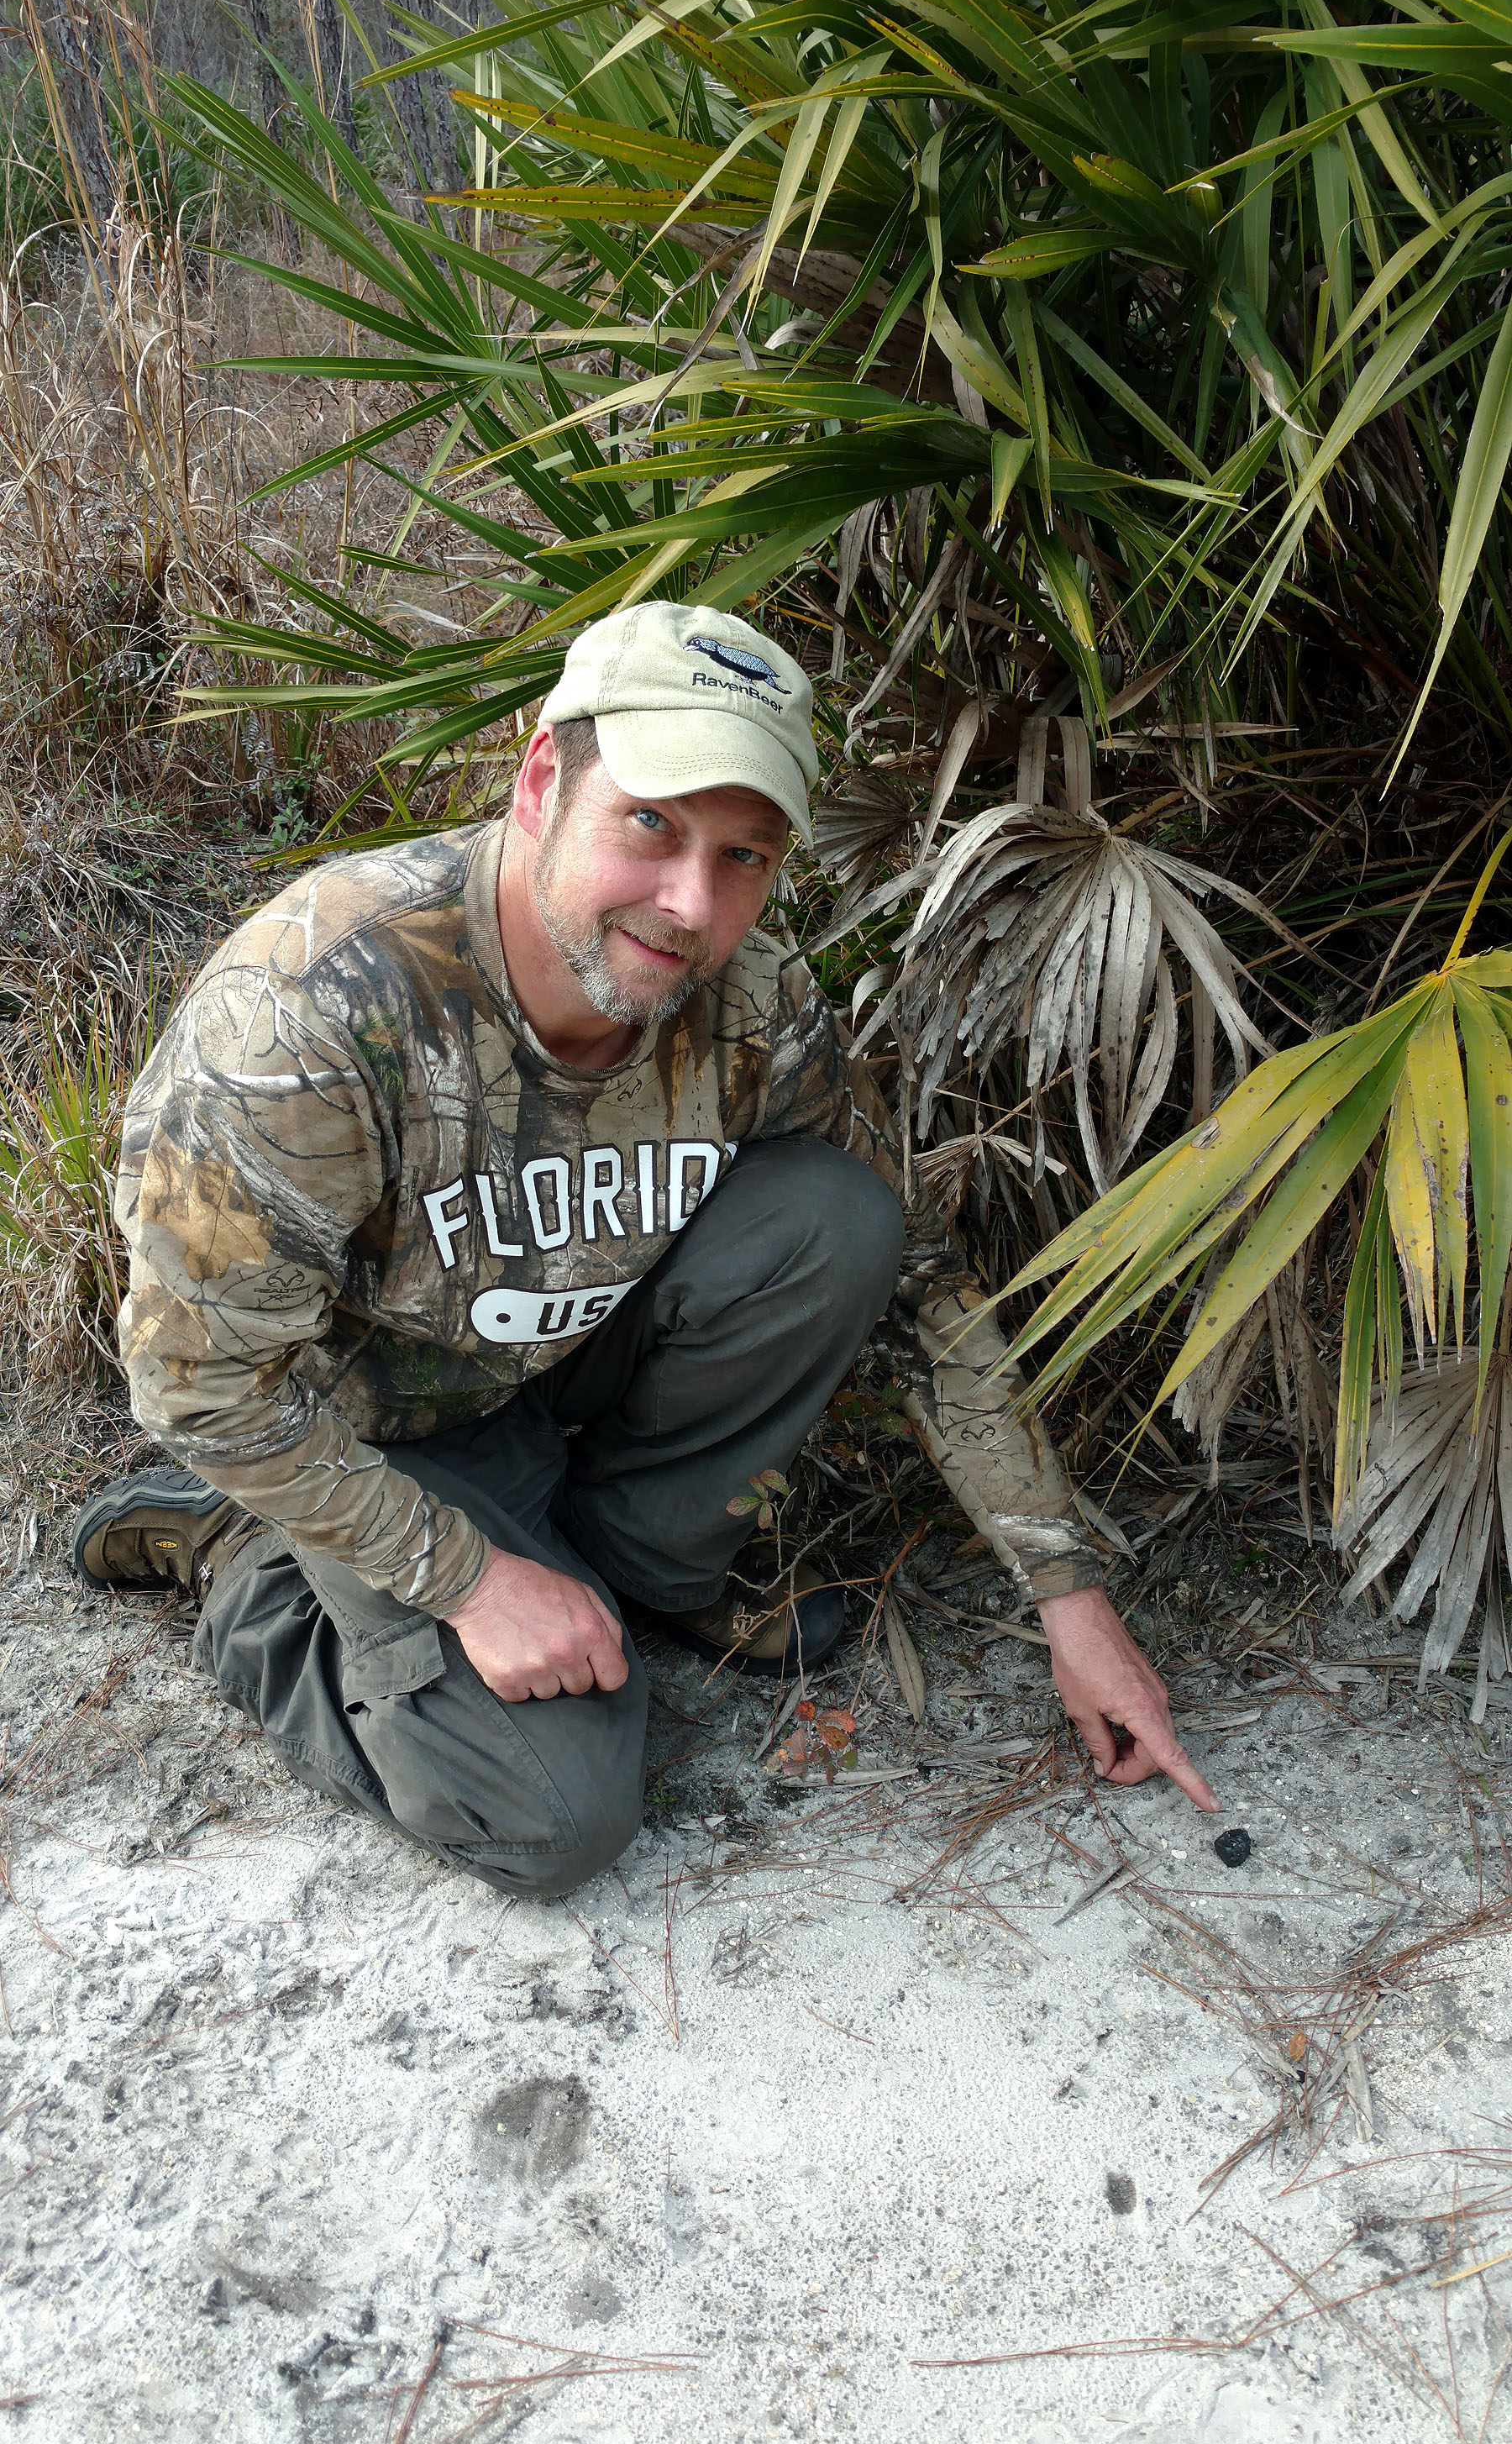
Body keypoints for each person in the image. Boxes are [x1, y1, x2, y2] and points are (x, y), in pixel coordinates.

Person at [71, 600, 1216, 1896]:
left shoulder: (757, 1000)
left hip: (546, 1361)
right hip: (363, 1438)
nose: (688, 904)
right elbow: (200, 1387)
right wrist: (463, 1578)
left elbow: (912, 1285)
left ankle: (628, 1577)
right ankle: (236, 1557)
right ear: (542, 780)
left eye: (744, 856)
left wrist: (1067, 1594)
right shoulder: (311, 1016)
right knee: (551, 1818)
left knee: (837, 1218)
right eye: (653, 824)